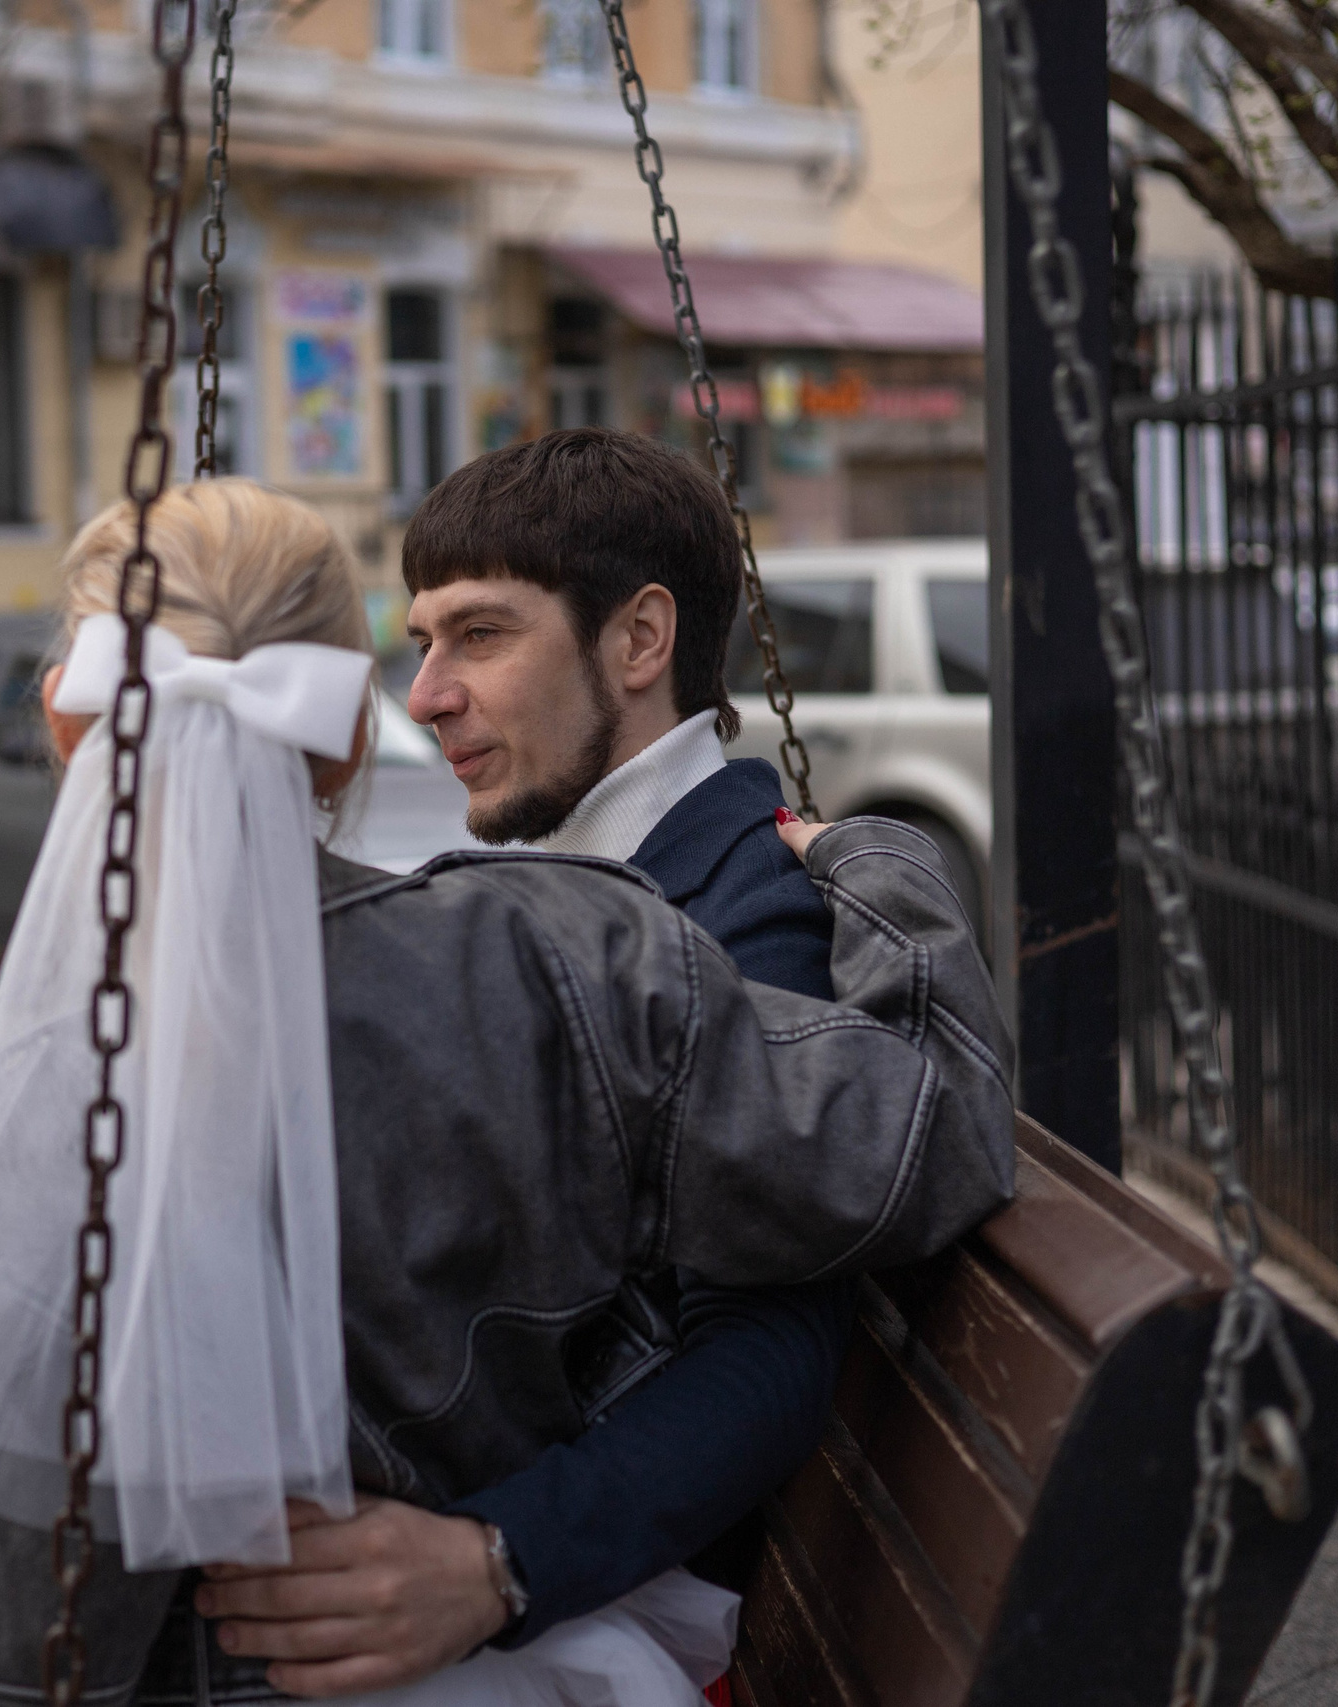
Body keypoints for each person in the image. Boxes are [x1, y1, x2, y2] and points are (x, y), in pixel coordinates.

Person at [0, 479, 1011, 1707]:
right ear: (352, 737)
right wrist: (881, 863)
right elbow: (930, 1138)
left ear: (71, 730)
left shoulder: (48, 1139)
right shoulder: (581, 951)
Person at [196, 430, 869, 1688]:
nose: (427, 695)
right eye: (418, 645)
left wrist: (492, 1563)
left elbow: (768, 1351)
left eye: (480, 636)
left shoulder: (743, 912)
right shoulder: (557, 882)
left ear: (638, 641)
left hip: (600, 1597)